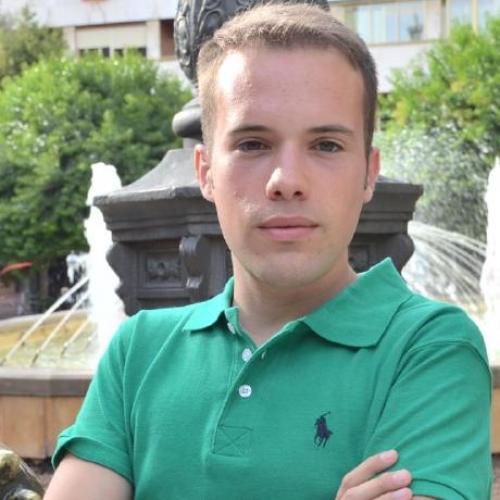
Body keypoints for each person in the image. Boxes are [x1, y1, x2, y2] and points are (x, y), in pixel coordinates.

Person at [45, 3, 492, 499]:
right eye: (253, 144)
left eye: (326, 145)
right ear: (205, 172)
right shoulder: (139, 349)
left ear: (368, 173)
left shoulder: (429, 348)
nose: (286, 180)